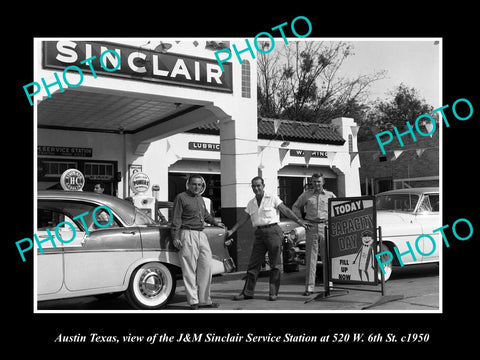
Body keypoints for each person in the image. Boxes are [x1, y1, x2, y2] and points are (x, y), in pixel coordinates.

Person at [227, 176, 309, 301]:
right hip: (259, 234)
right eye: (254, 186)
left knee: (275, 264)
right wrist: (232, 230)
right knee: (253, 265)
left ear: (263, 186)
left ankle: (273, 293)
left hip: (273, 232)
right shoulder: (251, 203)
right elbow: (244, 218)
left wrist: (299, 221)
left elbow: (285, 210)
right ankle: (247, 293)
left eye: (258, 185)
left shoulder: (272, 198)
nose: (256, 188)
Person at [171, 174, 226, 310]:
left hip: (201, 235)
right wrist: (175, 237)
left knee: (206, 267)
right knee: (189, 269)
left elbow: (206, 215)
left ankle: (205, 300)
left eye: (199, 185)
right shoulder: (181, 198)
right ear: (188, 185)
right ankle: (193, 301)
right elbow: (176, 219)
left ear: (202, 186)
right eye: (194, 184)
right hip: (187, 233)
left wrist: (216, 223)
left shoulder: (201, 199)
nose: (197, 187)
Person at [292, 173, 336, 296]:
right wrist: (301, 220)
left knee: (327, 257)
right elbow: (295, 207)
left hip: (325, 227)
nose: (316, 184)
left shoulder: (330, 195)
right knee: (311, 258)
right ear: (311, 182)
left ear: (323, 182)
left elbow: (337, 208)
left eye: (319, 181)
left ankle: (329, 286)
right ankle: (309, 288)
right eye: (314, 181)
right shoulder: (306, 195)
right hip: (311, 227)